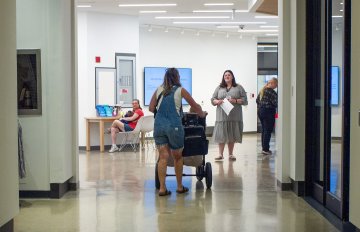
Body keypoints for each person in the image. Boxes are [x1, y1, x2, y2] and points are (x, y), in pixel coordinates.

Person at [149, 68, 206, 196]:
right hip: (174, 127)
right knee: (177, 156)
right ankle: (179, 187)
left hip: (159, 126)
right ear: (177, 77)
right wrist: (201, 114)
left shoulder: (158, 89)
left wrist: (163, 116)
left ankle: (162, 189)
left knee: (163, 157)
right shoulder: (180, 90)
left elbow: (152, 108)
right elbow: (195, 106)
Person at [211, 70, 248, 161]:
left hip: (234, 116)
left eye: (229, 75)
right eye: (225, 75)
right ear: (223, 77)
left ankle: (231, 154)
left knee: (232, 134)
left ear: (232, 77)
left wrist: (235, 101)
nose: (227, 76)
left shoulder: (239, 87)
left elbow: (245, 100)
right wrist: (217, 101)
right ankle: (220, 154)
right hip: (221, 116)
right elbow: (212, 99)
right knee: (221, 134)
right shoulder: (219, 87)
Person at [256, 78, 278, 155]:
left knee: (264, 130)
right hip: (268, 112)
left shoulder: (262, 90)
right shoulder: (271, 92)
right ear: (273, 83)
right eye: (276, 84)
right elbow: (276, 103)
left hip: (261, 111)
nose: (276, 86)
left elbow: (257, 100)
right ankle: (265, 149)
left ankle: (264, 148)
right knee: (268, 131)